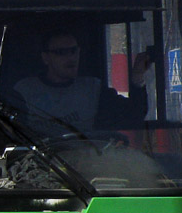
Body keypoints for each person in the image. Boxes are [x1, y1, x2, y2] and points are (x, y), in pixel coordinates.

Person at [13, 30, 149, 138]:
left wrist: (137, 76)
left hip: (84, 164)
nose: (70, 58)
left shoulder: (92, 89)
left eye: (73, 51)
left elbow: (134, 114)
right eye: (61, 53)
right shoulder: (24, 91)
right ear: (46, 58)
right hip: (41, 164)